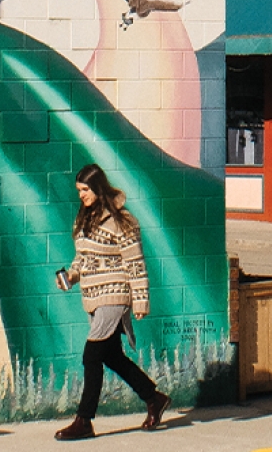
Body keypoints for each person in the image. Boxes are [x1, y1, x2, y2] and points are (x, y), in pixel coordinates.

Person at [51, 163, 167, 441]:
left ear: (98, 188)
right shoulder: (83, 219)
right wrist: (71, 275)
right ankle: (154, 398)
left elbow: (135, 263)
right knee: (111, 356)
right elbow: (82, 258)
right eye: (79, 190)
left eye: (85, 190)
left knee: (91, 355)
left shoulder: (122, 222)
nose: (81, 195)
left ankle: (84, 421)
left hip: (114, 295)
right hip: (93, 296)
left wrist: (140, 301)